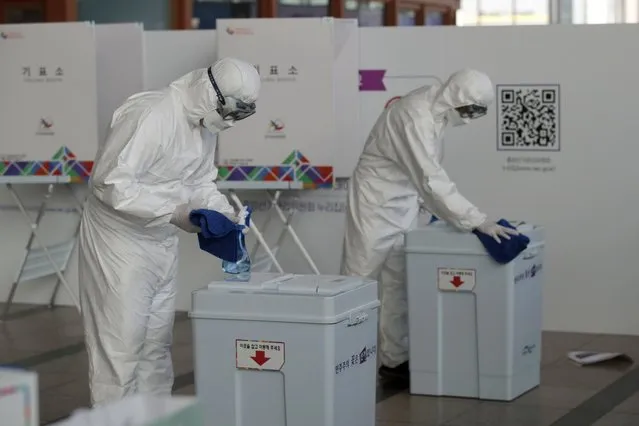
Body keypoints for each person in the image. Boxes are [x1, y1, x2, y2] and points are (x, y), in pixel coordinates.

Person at [78, 57, 260, 405]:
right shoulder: (153, 115)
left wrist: (226, 213)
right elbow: (110, 183)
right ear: (210, 93)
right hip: (119, 246)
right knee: (120, 352)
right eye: (230, 111)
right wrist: (174, 211)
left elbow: (199, 181)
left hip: (160, 242)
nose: (230, 122)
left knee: (155, 348)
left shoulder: (201, 125)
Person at [341, 68, 518, 381]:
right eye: (469, 110)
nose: (469, 117)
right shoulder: (415, 115)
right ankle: (343, 360)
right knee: (358, 282)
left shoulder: (436, 111)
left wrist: (437, 207)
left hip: (404, 201)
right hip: (374, 201)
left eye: (477, 112)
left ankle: (395, 362)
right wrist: (477, 221)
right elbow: (430, 178)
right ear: (455, 99)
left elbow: (424, 174)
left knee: (398, 286)